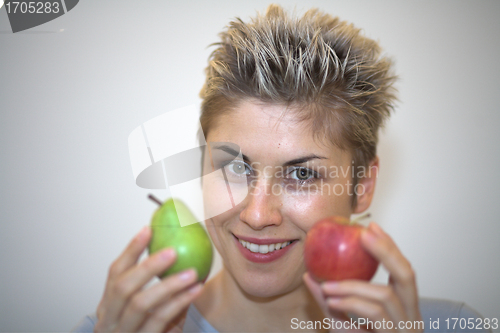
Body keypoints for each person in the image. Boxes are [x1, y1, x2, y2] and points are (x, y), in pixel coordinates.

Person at [72, 4, 489, 333]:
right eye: (234, 167)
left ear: (362, 185)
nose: (256, 214)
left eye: (302, 174)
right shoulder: (114, 330)